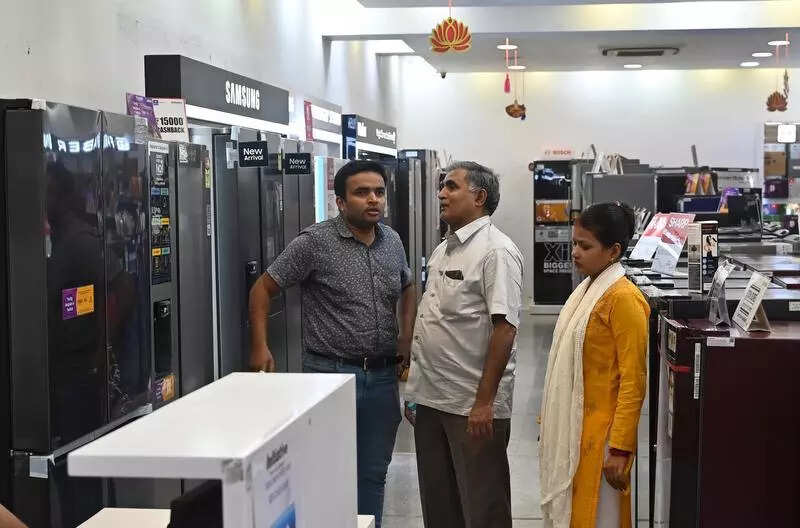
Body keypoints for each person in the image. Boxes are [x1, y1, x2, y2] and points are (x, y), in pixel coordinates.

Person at [248, 160, 417, 528]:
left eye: (379, 192)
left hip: (382, 377)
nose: (373, 199)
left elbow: (407, 286)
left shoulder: (392, 241)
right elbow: (263, 288)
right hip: (329, 374)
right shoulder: (314, 243)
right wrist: (260, 345)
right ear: (340, 202)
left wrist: (406, 334)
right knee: (326, 471)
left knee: (373, 472)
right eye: (362, 192)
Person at [405, 161, 523, 528]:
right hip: (431, 399)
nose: (441, 193)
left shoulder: (496, 252)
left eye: (451, 186)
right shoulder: (444, 249)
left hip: (471, 405)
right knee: (439, 506)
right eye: (442, 186)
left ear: (479, 196)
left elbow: (505, 329)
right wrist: (416, 392)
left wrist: (484, 402)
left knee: (483, 508)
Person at [539, 202, 650, 528]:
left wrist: (620, 448)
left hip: (603, 440)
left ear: (613, 251)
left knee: (599, 517)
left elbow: (634, 380)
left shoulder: (623, 299)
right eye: (574, 243)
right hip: (575, 430)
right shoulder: (586, 291)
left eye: (585, 246)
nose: (575, 252)